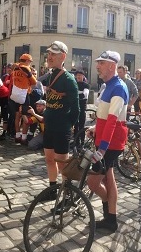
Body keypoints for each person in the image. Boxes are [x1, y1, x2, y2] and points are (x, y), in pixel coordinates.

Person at [85, 50, 129, 232]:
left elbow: (113, 121)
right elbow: (104, 116)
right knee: (109, 179)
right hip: (104, 139)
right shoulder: (108, 85)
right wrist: (95, 128)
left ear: (112, 66)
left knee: (92, 182)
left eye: (101, 63)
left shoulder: (118, 87)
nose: (97, 66)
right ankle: (111, 218)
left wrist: (102, 149)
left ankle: (107, 206)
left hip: (110, 143)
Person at [35, 41, 80, 201]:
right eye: (49, 53)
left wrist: (69, 125)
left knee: (62, 164)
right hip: (49, 125)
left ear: (63, 56)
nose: (49, 57)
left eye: (53, 54)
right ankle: (52, 189)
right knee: (48, 158)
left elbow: (76, 109)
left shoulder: (69, 80)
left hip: (62, 128)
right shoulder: (51, 74)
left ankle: (67, 195)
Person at [10, 54, 38, 143]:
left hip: (14, 94)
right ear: (27, 61)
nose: (30, 63)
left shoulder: (15, 68)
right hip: (24, 94)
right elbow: (34, 82)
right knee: (26, 116)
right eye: (30, 61)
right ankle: (24, 138)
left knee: (17, 116)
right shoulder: (26, 68)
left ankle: (17, 136)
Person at [73, 70, 90, 148]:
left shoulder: (86, 85)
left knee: (82, 125)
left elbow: (85, 95)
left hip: (82, 108)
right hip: (75, 108)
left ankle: (82, 142)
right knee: (75, 125)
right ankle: (76, 142)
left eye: (80, 75)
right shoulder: (73, 84)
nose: (79, 76)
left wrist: (77, 93)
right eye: (77, 75)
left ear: (83, 76)